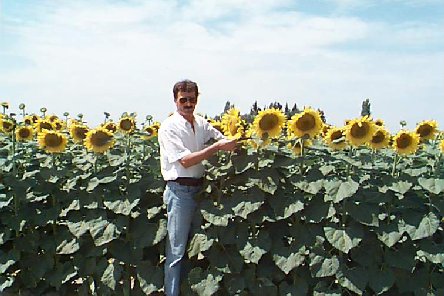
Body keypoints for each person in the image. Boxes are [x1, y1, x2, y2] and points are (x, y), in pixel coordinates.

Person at [158, 79, 237, 296]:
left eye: (192, 99)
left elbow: (222, 139)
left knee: (197, 248)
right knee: (176, 251)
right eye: (183, 99)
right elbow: (185, 161)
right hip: (179, 192)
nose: (188, 103)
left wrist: (233, 138)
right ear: (175, 100)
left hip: (200, 191)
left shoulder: (201, 123)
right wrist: (217, 147)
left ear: (197, 100)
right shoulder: (169, 127)